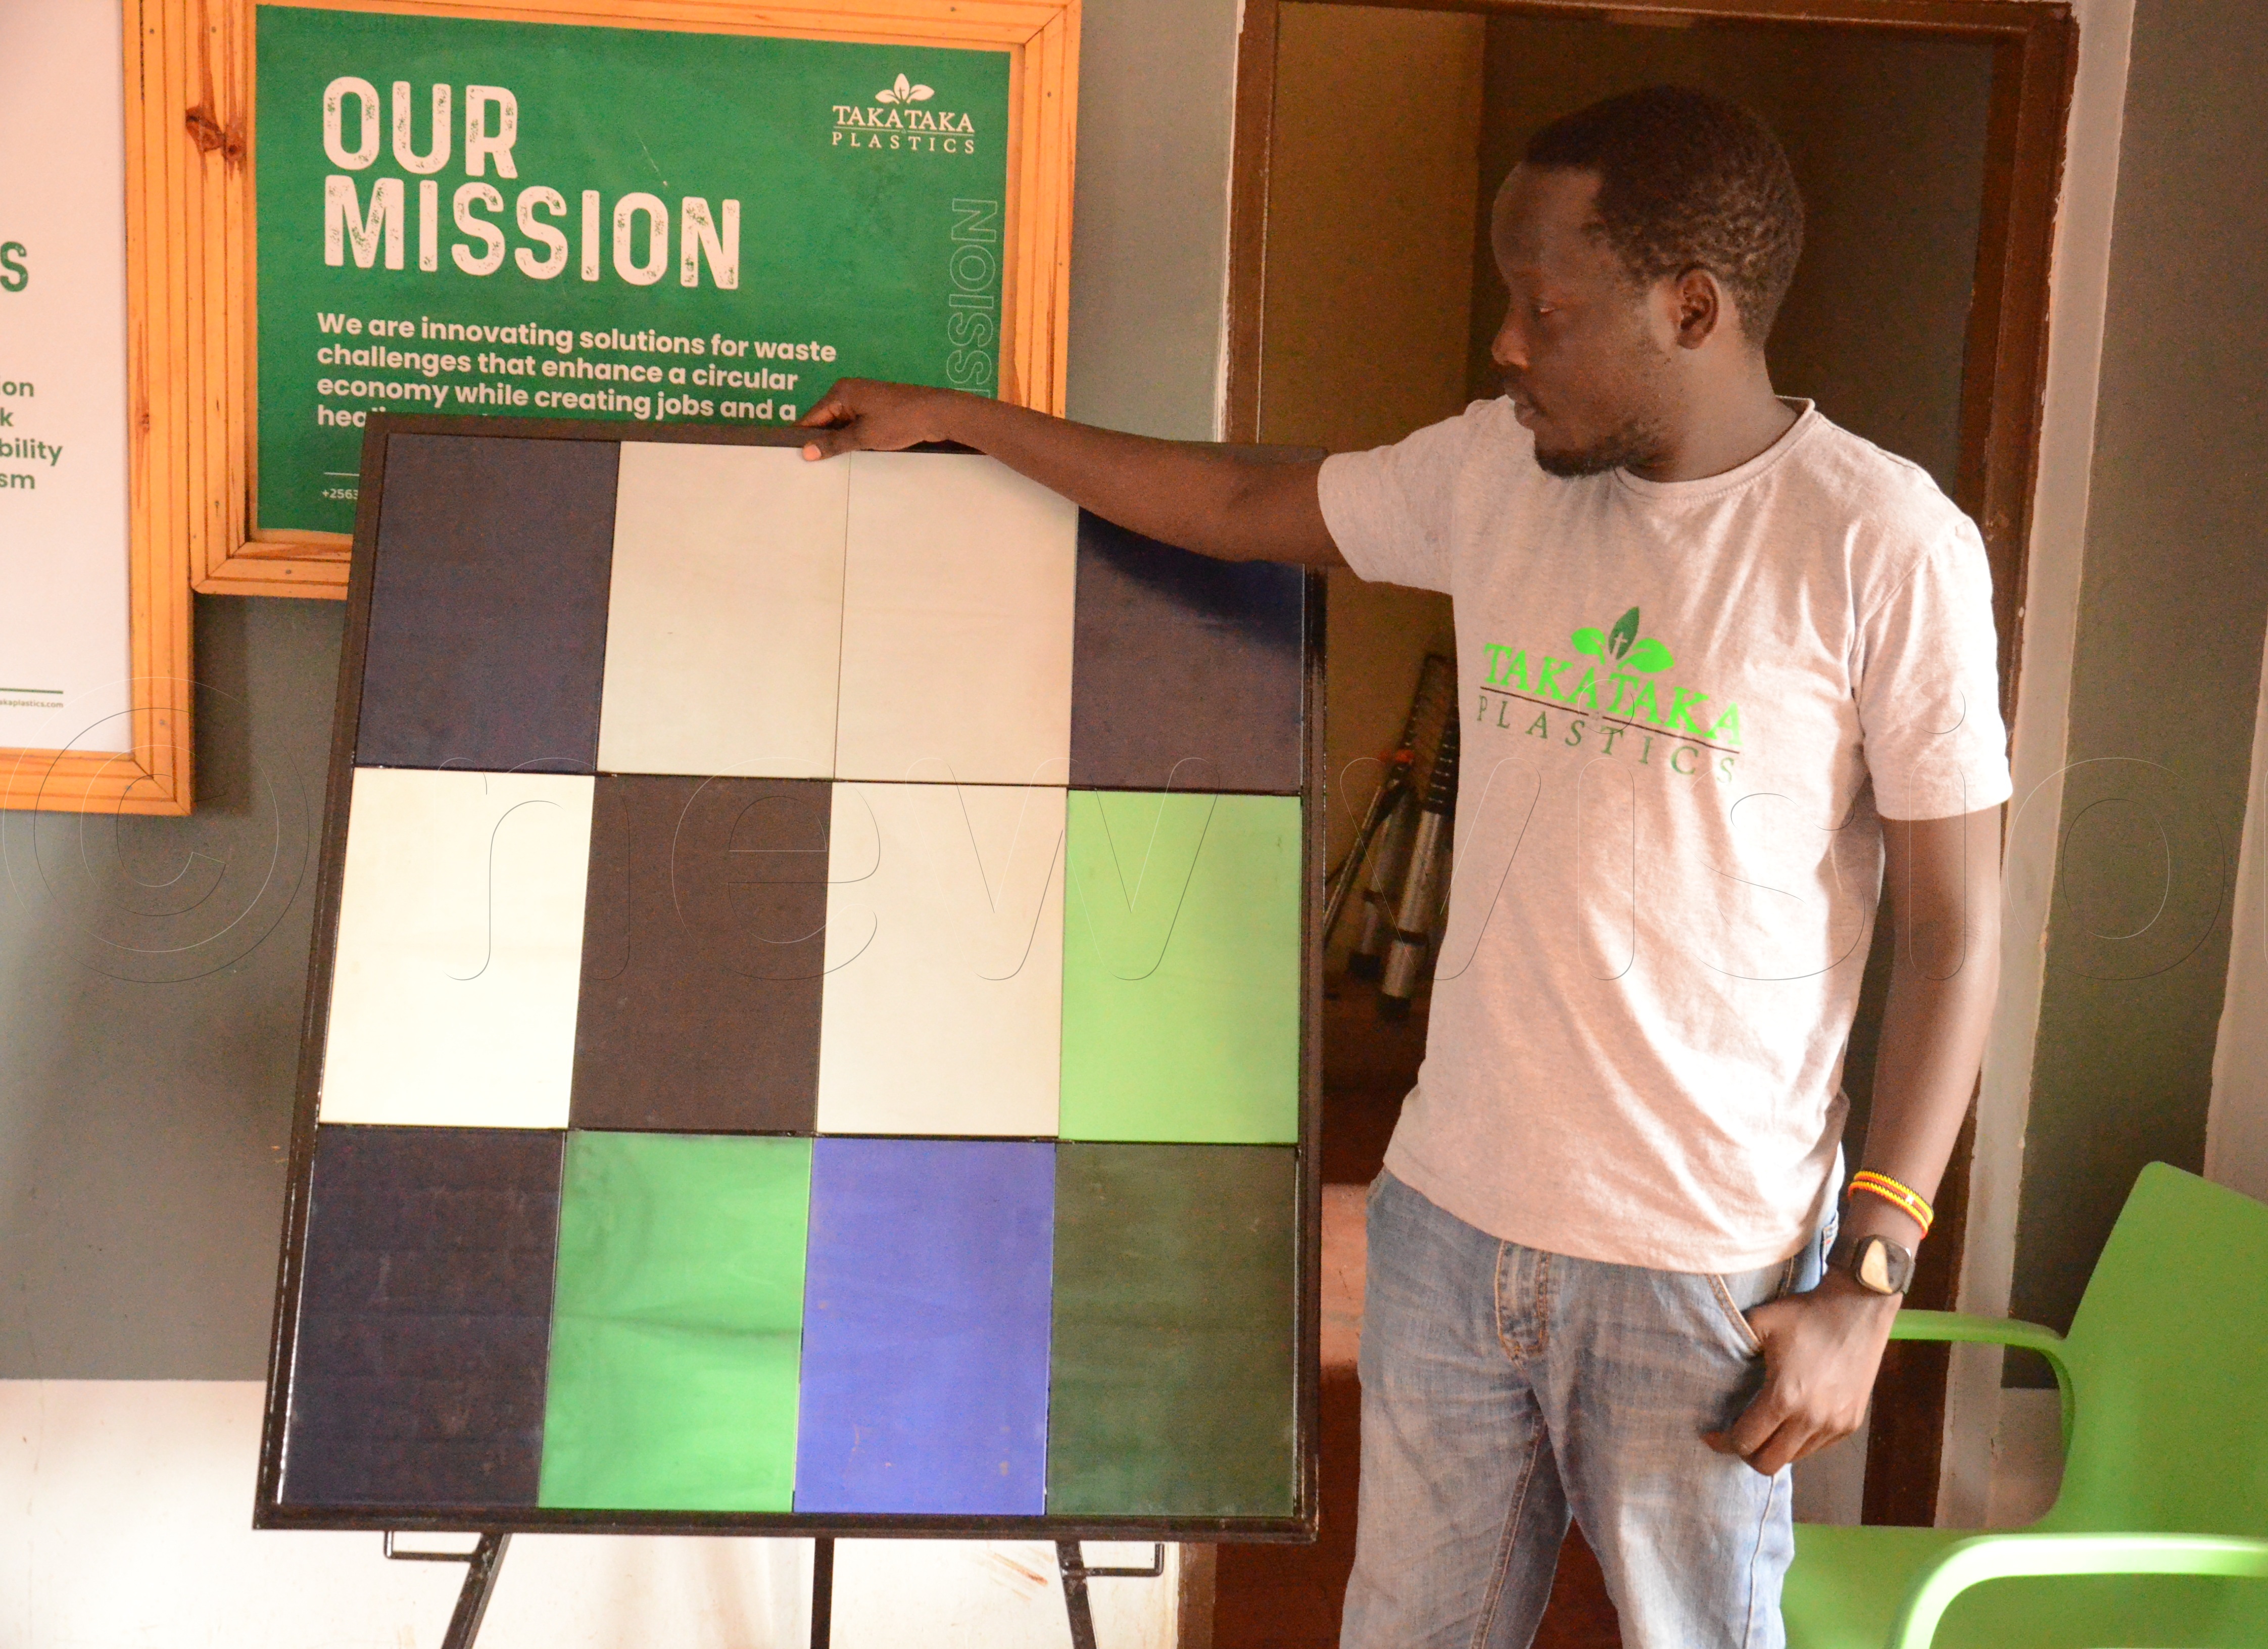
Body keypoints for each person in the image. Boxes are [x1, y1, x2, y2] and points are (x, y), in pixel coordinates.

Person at [797, 82, 2007, 1649]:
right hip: (1448, 1230)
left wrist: (1869, 1280)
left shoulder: (1879, 543)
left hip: (1702, 1269)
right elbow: (1235, 503)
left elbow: (1960, 931)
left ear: (1692, 309)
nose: (1506, 345)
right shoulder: (1494, 472)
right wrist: (967, 420)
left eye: (1546, 310)